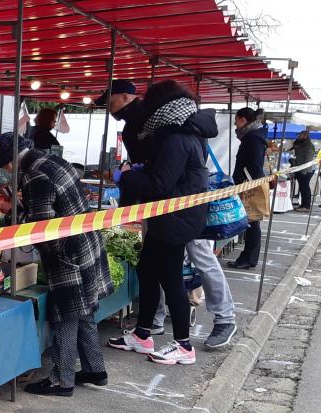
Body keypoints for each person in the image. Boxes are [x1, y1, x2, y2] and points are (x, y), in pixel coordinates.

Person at [101, 80, 238, 349]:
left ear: (162, 108)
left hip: (178, 216)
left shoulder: (177, 138)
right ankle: (143, 334)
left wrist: (127, 177)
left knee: (172, 277)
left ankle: (183, 344)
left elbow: (160, 183)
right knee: (148, 269)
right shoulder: (180, 132)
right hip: (170, 214)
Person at [0, 132, 113, 396]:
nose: (5, 171)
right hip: (85, 241)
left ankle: (62, 380)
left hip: (67, 251)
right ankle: (95, 369)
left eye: (3, 166)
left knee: (66, 314)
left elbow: (42, 224)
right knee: (85, 310)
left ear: (10, 162)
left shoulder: (35, 174)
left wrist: (12, 211)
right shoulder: (54, 162)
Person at [227, 107, 267, 270]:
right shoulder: (254, 135)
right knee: (252, 222)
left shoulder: (253, 138)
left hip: (249, 185)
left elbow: (255, 165)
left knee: (252, 222)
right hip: (249, 183)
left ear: (243, 119)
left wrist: (247, 184)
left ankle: (248, 257)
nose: (235, 124)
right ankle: (248, 257)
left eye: (236, 120)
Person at [290, 130, 316, 212]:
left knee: (305, 187)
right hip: (300, 168)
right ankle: (303, 204)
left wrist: (304, 171)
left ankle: (306, 206)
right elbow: (294, 148)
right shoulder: (301, 143)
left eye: (300, 135)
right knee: (302, 187)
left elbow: (308, 160)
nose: (298, 136)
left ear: (305, 136)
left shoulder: (308, 145)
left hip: (306, 170)